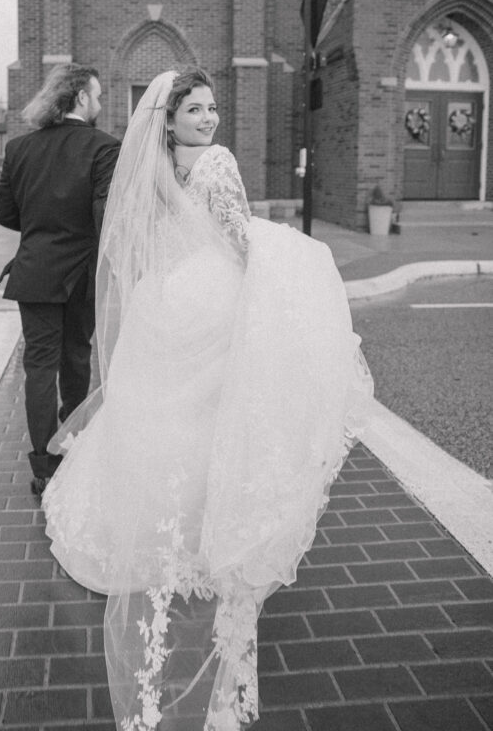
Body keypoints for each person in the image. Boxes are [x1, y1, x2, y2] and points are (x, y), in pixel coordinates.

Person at [43, 68, 374, 731]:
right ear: (168, 117)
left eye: (212, 107)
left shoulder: (150, 164)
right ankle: (205, 528)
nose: (209, 117)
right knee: (211, 419)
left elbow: (138, 246)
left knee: (160, 416)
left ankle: (144, 523)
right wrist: (284, 278)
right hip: (212, 300)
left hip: (164, 302)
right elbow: (237, 233)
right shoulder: (217, 163)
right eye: (195, 108)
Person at [0, 63, 120, 500]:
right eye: (97, 95)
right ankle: (73, 442)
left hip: (35, 271)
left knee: (39, 367)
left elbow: (4, 214)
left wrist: (41, 225)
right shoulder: (104, 148)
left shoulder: (19, 148)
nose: (100, 103)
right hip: (81, 272)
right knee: (77, 358)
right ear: (81, 98)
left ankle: (44, 467)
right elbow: (105, 215)